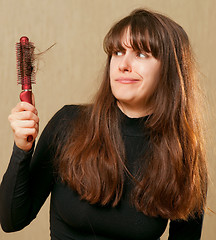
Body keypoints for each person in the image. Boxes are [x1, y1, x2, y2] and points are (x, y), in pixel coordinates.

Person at [0, 8, 208, 240]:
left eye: (141, 54)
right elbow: (11, 221)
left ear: (170, 69)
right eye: (118, 52)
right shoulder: (68, 124)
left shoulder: (184, 154)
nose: (123, 64)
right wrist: (21, 149)